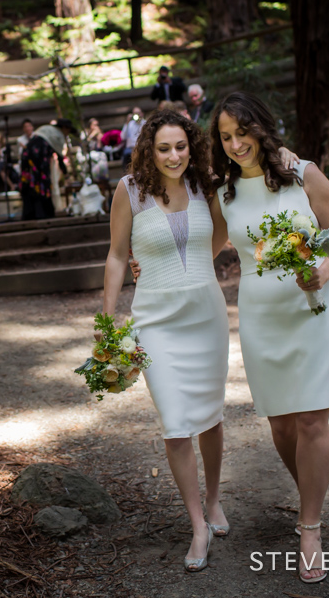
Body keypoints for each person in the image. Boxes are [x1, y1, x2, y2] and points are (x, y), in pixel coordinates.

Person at [209, 91, 329, 584]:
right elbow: (197, 252)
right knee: (283, 427)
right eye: (225, 137)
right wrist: (150, 261)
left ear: (260, 128)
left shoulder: (302, 174)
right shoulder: (224, 195)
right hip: (261, 318)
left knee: (313, 419)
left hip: (315, 311)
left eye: (241, 132)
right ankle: (310, 493)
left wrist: (325, 270)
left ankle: (309, 526)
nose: (235, 144)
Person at [102, 109, 230, 573]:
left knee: (212, 417)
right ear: (148, 151)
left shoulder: (206, 187)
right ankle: (197, 524)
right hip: (154, 319)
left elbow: (218, 239)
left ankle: (214, 501)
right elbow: (117, 256)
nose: (174, 156)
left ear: (191, 146)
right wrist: (108, 318)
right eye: (163, 148)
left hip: (206, 315)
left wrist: (188, 266)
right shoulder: (129, 191)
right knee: (176, 425)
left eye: (181, 146)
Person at [20, 118, 74, 220]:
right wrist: (66, 174)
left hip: (29, 154)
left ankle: (33, 212)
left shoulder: (46, 128)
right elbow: (60, 157)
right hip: (39, 157)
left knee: (31, 181)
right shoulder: (58, 135)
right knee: (41, 182)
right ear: (64, 128)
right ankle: (41, 212)